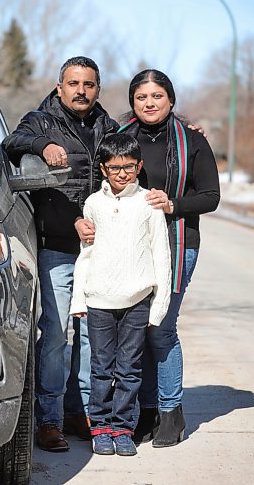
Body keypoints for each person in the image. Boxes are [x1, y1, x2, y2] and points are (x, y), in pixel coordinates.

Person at [76, 69, 220, 448]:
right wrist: (83, 221)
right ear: (132, 102)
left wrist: (174, 204)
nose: (149, 103)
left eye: (157, 96)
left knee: (161, 328)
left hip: (178, 242)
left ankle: (170, 411)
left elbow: (211, 196)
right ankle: (142, 412)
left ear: (171, 99)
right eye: (141, 97)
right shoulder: (120, 140)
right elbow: (96, 191)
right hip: (125, 249)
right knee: (134, 333)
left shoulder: (192, 142)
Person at [2, 56, 118, 451]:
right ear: (59, 86)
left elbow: (141, 148)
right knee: (54, 335)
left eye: (88, 84)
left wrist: (184, 126)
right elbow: (11, 143)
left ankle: (79, 413)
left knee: (90, 338)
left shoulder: (109, 127)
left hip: (99, 251)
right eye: (73, 83)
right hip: (57, 248)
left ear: (97, 89)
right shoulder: (40, 119)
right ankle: (48, 420)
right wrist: (43, 144)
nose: (81, 91)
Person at [69, 134, 171, 456]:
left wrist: (158, 307)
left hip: (137, 301)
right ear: (103, 169)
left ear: (139, 166)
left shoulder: (148, 204)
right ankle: (99, 426)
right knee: (100, 367)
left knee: (129, 368)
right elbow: (86, 254)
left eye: (129, 167)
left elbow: (161, 254)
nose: (123, 174)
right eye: (115, 168)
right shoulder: (93, 204)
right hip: (99, 301)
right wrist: (79, 300)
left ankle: (123, 428)